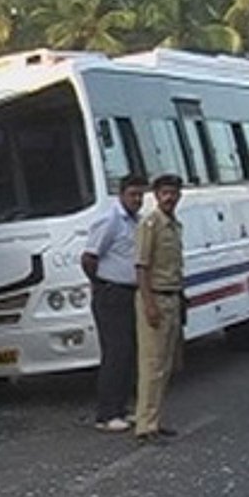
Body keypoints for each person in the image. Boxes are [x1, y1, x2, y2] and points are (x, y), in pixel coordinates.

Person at [81, 173, 147, 432]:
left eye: (140, 195)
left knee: (129, 352)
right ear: (121, 194)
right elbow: (89, 257)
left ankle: (120, 408)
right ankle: (106, 414)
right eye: (132, 195)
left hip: (131, 292)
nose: (137, 200)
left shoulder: (136, 222)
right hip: (111, 293)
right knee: (115, 353)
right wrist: (101, 284)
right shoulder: (110, 221)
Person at [134, 173, 185, 445]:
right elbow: (141, 267)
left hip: (172, 297)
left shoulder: (174, 226)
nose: (169, 197)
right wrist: (149, 305)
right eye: (164, 192)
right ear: (155, 195)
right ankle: (145, 425)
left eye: (173, 192)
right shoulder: (150, 224)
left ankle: (155, 419)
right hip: (154, 298)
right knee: (151, 365)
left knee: (165, 365)